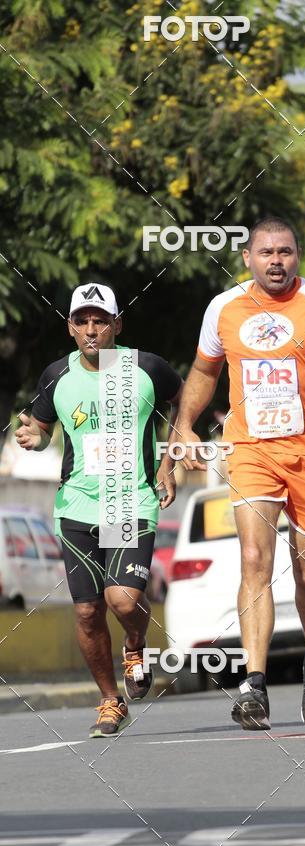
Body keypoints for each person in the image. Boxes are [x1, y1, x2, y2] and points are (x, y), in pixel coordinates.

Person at [173, 217, 305, 730]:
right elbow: (205, 371)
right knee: (253, 558)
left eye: (285, 252)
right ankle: (255, 683)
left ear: (298, 256)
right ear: (247, 257)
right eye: (265, 252)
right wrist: (184, 425)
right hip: (249, 449)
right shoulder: (222, 308)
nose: (276, 261)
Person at [15, 283, 182, 737]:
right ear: (70, 327)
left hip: (130, 499)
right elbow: (42, 427)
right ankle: (110, 701)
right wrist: (35, 438)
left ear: (117, 325)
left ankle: (135, 643)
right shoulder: (56, 374)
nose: (92, 330)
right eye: (82, 321)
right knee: (87, 612)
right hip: (76, 505)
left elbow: (185, 402)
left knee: (121, 599)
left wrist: (169, 462)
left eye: (100, 320)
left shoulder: (147, 368)